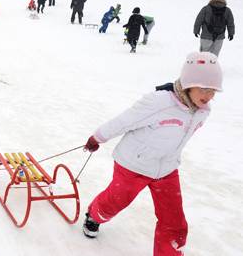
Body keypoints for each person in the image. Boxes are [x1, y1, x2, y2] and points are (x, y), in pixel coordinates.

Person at [82, 51, 222, 256]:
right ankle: (95, 216)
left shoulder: (203, 111)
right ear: (188, 83)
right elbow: (124, 121)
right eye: (204, 89)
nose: (208, 96)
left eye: (213, 91)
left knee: (174, 221)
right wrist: (98, 138)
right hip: (133, 165)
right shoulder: (159, 102)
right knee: (115, 201)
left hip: (166, 168)